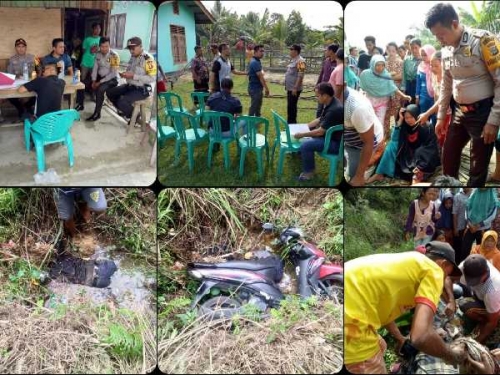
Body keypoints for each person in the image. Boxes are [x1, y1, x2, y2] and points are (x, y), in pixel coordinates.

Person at [344, 241, 465, 374]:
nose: (445, 279)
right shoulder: (434, 270)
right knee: (370, 363)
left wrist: (400, 338)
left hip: (343, 293)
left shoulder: (413, 264)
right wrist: (451, 355)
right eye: (447, 275)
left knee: (381, 345)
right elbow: (420, 336)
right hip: (353, 321)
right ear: (442, 264)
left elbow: (382, 307)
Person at [425, 3, 500, 186]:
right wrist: (441, 116)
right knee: (448, 157)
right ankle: (450, 194)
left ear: (455, 23)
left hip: (483, 112)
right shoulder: (446, 50)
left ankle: (470, 205)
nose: (439, 40)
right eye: (436, 36)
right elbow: (446, 84)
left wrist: (493, 120)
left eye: (441, 34)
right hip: (459, 111)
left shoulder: (483, 41)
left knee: (477, 166)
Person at [293, 82, 343, 181]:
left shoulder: (334, 110)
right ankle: (303, 158)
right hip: (329, 138)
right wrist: (304, 126)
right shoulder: (330, 102)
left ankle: (309, 173)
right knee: (307, 137)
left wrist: (302, 134)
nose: (316, 98)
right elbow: (320, 119)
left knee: (306, 145)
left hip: (336, 144)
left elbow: (320, 132)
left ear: (325, 95)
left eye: (317, 96)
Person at [359, 55, 412, 138]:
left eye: (382, 65)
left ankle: (379, 142)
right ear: (372, 64)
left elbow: (393, 88)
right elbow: (362, 88)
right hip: (369, 102)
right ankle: (368, 139)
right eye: (377, 65)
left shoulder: (386, 75)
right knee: (369, 122)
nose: (380, 68)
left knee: (380, 123)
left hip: (382, 103)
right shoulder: (365, 74)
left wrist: (404, 96)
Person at [106, 37, 156, 121]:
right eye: (130, 49)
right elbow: (129, 70)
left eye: (133, 48)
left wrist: (134, 76)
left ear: (140, 46)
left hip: (142, 89)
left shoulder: (148, 59)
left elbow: (152, 78)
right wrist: (125, 74)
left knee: (122, 101)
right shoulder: (133, 57)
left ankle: (135, 116)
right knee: (110, 92)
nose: (131, 51)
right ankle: (127, 112)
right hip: (130, 85)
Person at [344, 87, 384, 186]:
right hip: (350, 139)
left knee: (354, 177)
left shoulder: (357, 108)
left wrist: (359, 176)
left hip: (364, 144)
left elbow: (369, 142)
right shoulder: (335, 98)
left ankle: (371, 171)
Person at [458, 254, 500, 344]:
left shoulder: (493, 290)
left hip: (496, 309)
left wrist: (476, 342)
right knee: (463, 303)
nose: (471, 282)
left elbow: (492, 321)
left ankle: (489, 326)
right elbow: (448, 278)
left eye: (475, 280)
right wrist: (450, 301)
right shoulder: (467, 265)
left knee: (491, 323)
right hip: (482, 297)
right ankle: (482, 320)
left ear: (485, 273)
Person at [459, 188, 498, 265]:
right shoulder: (474, 192)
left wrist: (479, 225)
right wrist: (469, 223)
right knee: (465, 248)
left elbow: (492, 215)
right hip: (470, 227)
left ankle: (479, 268)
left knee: (483, 250)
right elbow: (467, 208)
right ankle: (464, 267)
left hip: (483, 229)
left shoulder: (492, 195)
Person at [86, 37, 119, 121]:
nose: (104, 49)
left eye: (106, 46)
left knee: (100, 89)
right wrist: (93, 80)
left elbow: (113, 73)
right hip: (100, 77)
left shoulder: (114, 56)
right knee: (86, 82)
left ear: (109, 45)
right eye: (102, 46)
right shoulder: (98, 54)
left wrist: (99, 82)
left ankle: (97, 113)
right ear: (99, 46)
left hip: (112, 79)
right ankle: (84, 103)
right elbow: (95, 68)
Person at [7, 38, 36, 118]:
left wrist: (34, 76)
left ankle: (27, 106)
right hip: (17, 83)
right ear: (15, 48)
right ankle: (21, 109)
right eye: (18, 46)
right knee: (9, 95)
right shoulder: (12, 59)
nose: (21, 48)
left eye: (23, 46)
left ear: (26, 47)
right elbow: (9, 74)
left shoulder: (32, 57)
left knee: (40, 92)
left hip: (30, 82)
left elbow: (38, 70)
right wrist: (17, 76)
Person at [75, 22, 101, 111]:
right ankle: (79, 98)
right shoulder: (87, 39)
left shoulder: (101, 40)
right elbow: (83, 50)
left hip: (95, 64)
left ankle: (93, 95)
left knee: (94, 80)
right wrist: (91, 51)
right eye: (96, 28)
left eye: (99, 28)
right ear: (92, 29)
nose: (98, 30)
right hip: (86, 62)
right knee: (81, 80)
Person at [384, 42, 404, 133]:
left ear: (396, 51)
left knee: (394, 110)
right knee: (385, 110)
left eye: (393, 50)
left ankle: (391, 131)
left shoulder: (400, 61)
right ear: (386, 50)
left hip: (396, 90)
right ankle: (384, 132)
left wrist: (387, 76)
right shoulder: (383, 61)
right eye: (389, 50)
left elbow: (400, 76)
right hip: (384, 90)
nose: (391, 52)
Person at [285, 44, 306, 124]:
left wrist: (295, 88)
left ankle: (292, 124)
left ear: (296, 51)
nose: (290, 51)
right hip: (290, 88)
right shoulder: (294, 59)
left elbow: (300, 75)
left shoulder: (301, 61)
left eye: (291, 49)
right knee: (290, 107)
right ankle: (290, 123)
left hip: (294, 89)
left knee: (292, 107)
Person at [247, 44, 270, 117]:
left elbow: (261, 72)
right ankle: (250, 120)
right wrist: (266, 89)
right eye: (261, 51)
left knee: (258, 104)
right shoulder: (255, 62)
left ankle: (258, 117)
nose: (263, 53)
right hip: (255, 88)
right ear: (255, 52)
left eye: (263, 51)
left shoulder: (257, 61)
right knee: (254, 105)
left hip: (257, 88)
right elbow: (261, 77)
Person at [415, 44, 436, 120]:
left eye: (425, 55)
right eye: (422, 55)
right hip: (423, 95)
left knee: (434, 117)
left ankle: (433, 132)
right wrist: (417, 96)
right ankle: (424, 131)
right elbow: (418, 82)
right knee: (423, 116)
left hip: (435, 95)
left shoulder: (436, 65)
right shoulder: (420, 66)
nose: (423, 57)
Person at [453, 188, 473, 254]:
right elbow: (454, 213)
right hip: (460, 226)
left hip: (471, 226)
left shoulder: (474, 194)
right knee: (458, 247)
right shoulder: (457, 196)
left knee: (467, 247)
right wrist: (455, 228)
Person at [401, 38, 421, 103]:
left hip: (420, 87)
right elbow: (404, 76)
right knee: (410, 107)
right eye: (412, 48)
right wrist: (403, 90)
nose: (414, 50)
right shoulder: (406, 60)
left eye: (416, 48)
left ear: (420, 47)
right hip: (409, 86)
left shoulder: (423, 60)